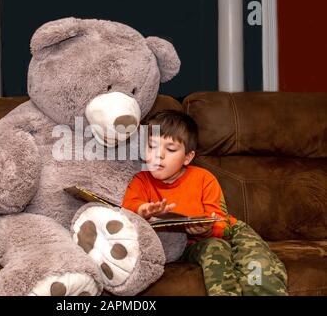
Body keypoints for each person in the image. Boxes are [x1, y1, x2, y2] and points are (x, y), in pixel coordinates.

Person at [122, 110, 288, 296]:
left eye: (170, 149)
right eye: (151, 146)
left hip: (230, 230)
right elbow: (128, 206)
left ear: (188, 157)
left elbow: (220, 222)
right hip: (190, 244)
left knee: (258, 265)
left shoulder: (204, 178)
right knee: (215, 249)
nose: (158, 155)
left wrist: (207, 229)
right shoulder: (141, 180)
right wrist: (143, 209)